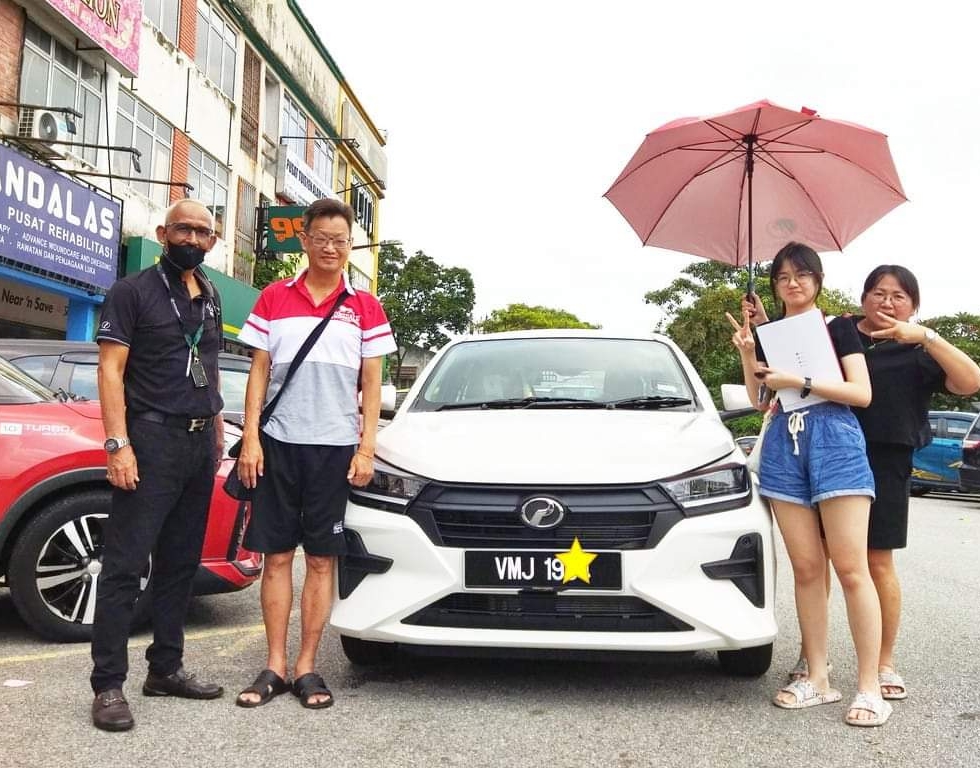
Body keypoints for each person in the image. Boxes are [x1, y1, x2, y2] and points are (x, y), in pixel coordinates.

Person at [748, 265, 980, 699]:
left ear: (913, 305)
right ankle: (813, 659)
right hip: (815, 450)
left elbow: (970, 382)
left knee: (872, 563)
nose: (886, 302)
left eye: (898, 296)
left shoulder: (916, 349)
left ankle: (882, 663)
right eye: (877, 293)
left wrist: (926, 336)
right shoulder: (839, 331)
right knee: (812, 563)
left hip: (884, 455)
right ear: (862, 298)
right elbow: (791, 359)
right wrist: (762, 325)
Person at [235, 197, 396, 709]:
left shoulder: (364, 306)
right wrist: (253, 438)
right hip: (278, 445)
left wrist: (366, 447)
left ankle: (307, 666)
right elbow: (258, 372)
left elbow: (372, 385)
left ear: (350, 246)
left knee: (322, 561)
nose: (330, 247)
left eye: (340, 240)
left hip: (334, 449)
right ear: (303, 240)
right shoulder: (272, 298)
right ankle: (274, 665)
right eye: (321, 238)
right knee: (276, 556)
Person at [727, 241, 890, 727]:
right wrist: (750, 350)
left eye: (801, 274)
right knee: (805, 569)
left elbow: (861, 393)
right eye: (782, 277)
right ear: (774, 286)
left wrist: (798, 380)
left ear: (817, 280)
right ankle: (817, 676)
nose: (792, 283)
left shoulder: (838, 327)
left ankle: (869, 685)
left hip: (835, 440)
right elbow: (760, 401)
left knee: (851, 568)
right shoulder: (770, 333)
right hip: (782, 444)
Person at [90, 200, 226, 732]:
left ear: (212, 242)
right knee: (125, 567)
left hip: (197, 445)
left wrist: (215, 433)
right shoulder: (133, 292)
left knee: (179, 565)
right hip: (148, 440)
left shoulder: (210, 293)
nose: (193, 237)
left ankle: (165, 669)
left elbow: (209, 368)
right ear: (163, 232)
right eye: (184, 228)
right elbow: (110, 369)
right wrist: (117, 444)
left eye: (203, 231)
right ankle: (107, 685)